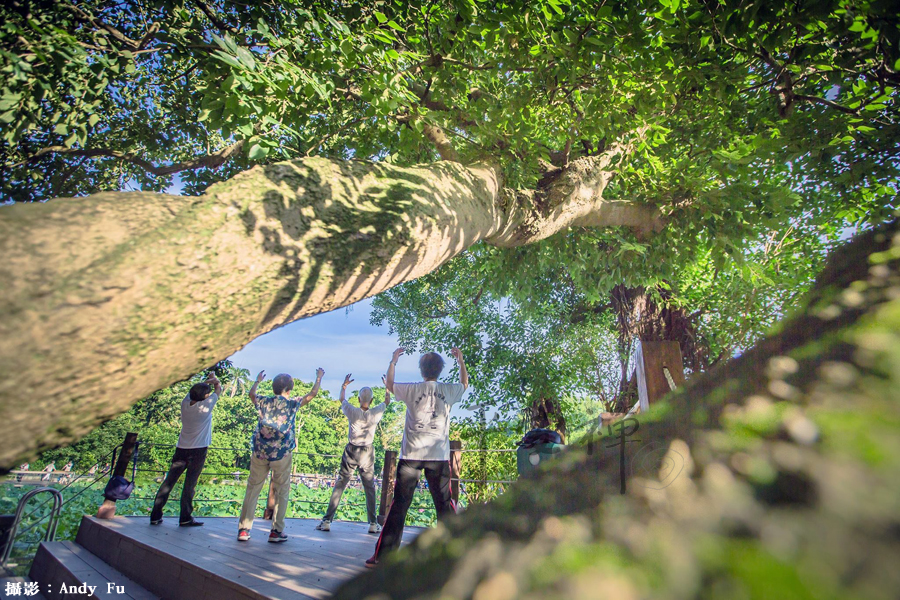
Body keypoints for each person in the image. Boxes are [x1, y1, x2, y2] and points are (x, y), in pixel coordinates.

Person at [367, 347, 468, 567]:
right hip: (438, 456)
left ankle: (383, 557)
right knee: (444, 505)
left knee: (399, 506)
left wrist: (393, 361)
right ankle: (454, 555)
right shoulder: (448, 390)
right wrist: (461, 362)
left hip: (410, 455)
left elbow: (390, 385)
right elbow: (464, 384)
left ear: (421, 370)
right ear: (440, 370)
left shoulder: (411, 389)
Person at [237, 367, 324, 543]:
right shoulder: (292, 404)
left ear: (274, 388)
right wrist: (318, 378)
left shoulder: (264, 401)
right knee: (282, 491)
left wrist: (257, 381)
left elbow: (252, 394)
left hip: (260, 451)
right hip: (282, 453)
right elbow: (312, 394)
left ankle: (244, 529)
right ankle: (276, 531)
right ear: (289, 389)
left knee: (253, 489)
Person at [316, 374, 391, 534]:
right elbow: (387, 401)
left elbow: (342, 399)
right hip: (367, 451)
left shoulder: (352, 411)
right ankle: (373, 523)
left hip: (351, 450)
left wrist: (344, 386)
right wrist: (387, 387)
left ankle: (327, 520)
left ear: (358, 399)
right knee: (369, 487)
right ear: (371, 400)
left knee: (340, 484)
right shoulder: (375, 413)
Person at [150, 373, 222, 526]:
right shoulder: (205, 408)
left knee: (169, 482)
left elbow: (195, 391)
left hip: (181, 448)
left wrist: (206, 381)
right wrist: (214, 380)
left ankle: (155, 515)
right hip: (198, 450)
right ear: (205, 396)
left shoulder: (185, 404)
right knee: (190, 485)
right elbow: (218, 389)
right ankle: (185, 517)